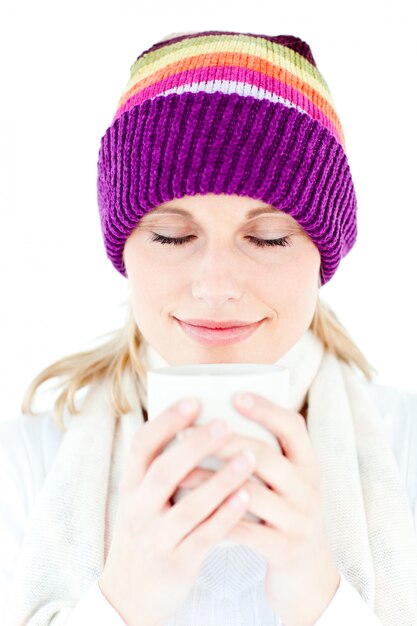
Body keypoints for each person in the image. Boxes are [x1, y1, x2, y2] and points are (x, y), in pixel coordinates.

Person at [1, 29, 417, 626]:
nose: (216, 283)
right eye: (173, 235)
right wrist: (120, 604)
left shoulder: (406, 454)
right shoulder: (21, 471)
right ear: (125, 249)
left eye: (268, 237)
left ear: (322, 258)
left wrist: (323, 602)